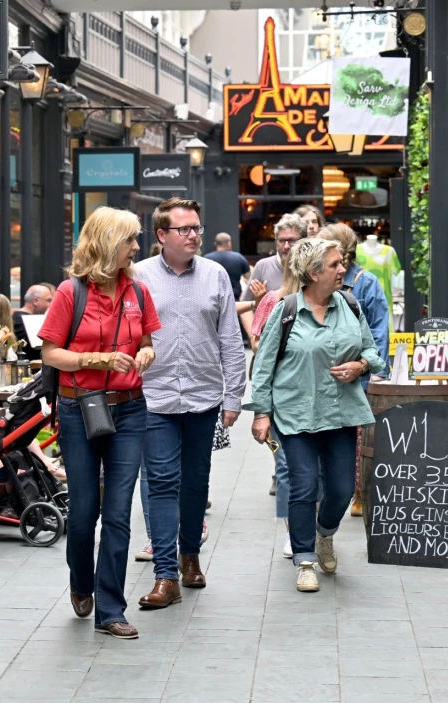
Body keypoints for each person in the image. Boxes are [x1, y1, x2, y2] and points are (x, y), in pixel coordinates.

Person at [40, 207, 161, 639]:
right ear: (109, 241)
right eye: (130, 239)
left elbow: (146, 342)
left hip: (130, 408)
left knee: (118, 511)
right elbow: (51, 354)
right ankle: (80, 580)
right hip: (80, 408)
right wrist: (97, 359)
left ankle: (110, 609)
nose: (136, 246)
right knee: (84, 510)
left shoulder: (139, 292)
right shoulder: (71, 293)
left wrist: (145, 354)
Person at [249, 239, 385, 592]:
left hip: (340, 414)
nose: (343, 270)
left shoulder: (350, 305)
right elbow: (263, 367)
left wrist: (361, 364)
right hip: (295, 413)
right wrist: (261, 413)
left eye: (342, 263)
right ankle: (305, 559)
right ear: (313, 273)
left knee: (340, 489)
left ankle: (325, 534)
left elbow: (373, 350)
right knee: (304, 483)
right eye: (335, 265)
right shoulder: (287, 310)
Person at [136, 197, 246, 609]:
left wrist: (234, 396)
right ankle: (166, 575)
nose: (195, 235)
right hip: (153, 397)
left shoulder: (216, 275)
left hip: (203, 397)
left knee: (196, 483)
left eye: (197, 228)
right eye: (185, 229)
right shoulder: (138, 275)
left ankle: (190, 557)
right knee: (162, 482)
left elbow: (231, 340)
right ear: (162, 235)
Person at [319, 223, 390, 516]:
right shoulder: (315, 280)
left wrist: (373, 372)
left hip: (354, 380)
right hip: (324, 380)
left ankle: (355, 494)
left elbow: (378, 332)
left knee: (354, 443)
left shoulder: (366, 283)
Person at [239, 215, 308, 497]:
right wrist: (255, 341)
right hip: (274, 360)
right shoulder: (265, 268)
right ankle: (280, 473)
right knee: (279, 436)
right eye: (282, 241)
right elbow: (249, 307)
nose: (286, 246)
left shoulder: (314, 268)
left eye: (292, 240)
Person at [249, 262, 302, 559]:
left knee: (317, 470)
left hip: (318, 399)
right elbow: (257, 343)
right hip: (281, 397)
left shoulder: (332, 301)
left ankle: (318, 529)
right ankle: (293, 533)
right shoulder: (273, 299)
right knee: (284, 465)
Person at [13, 284, 55, 361]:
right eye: (49, 300)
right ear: (35, 301)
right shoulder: (22, 321)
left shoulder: (17, 318)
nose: (51, 305)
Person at [204, 232, 250, 301]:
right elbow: (249, 277)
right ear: (228, 243)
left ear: (215, 244)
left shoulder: (206, 259)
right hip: (234, 299)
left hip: (212, 299)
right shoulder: (239, 257)